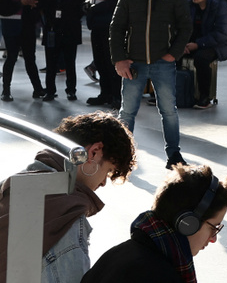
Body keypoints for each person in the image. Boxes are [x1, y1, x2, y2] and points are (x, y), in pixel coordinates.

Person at [0, 111, 137, 282]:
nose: (103, 183)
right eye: (108, 171)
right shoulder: (65, 219)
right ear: (94, 152)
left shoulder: (14, 184)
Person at [81, 165, 227, 283]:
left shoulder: (119, 253)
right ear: (188, 223)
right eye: (213, 227)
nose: (213, 239)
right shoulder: (159, 275)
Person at [111, 0, 192, 169]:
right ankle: (121, 155)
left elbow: (185, 27)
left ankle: (174, 154)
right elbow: (116, 28)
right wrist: (119, 59)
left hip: (162, 62)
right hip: (133, 62)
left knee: (168, 110)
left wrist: (172, 54)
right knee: (127, 111)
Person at [1, 0, 49, 101]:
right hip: (11, 24)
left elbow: (42, 1)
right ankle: (6, 90)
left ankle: (38, 88)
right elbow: (3, 8)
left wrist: (36, 4)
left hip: (28, 24)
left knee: (30, 57)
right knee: (12, 56)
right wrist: (21, 3)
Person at [181, 0, 227, 110]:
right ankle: (174, 93)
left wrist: (198, 44)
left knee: (201, 58)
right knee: (172, 55)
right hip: (192, 43)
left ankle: (204, 97)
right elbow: (181, 27)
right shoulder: (189, 6)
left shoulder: (220, 7)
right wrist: (182, 44)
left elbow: (223, 33)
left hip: (216, 44)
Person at [40, 0, 86, 101]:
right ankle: (50, 90)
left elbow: (80, 12)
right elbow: (44, 10)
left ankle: (71, 90)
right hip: (52, 31)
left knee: (70, 63)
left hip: (69, 32)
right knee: (51, 63)